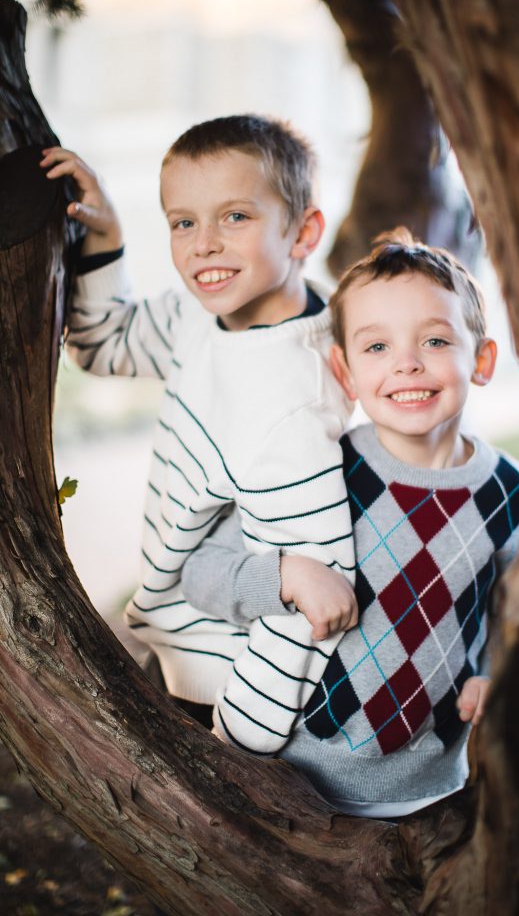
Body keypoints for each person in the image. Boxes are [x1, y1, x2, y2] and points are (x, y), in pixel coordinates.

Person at [182, 229, 519, 817]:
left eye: (435, 339)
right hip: (291, 779)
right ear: (343, 372)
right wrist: (287, 576)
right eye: (377, 348)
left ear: (482, 359)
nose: (407, 363)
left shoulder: (508, 490)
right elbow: (201, 571)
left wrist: (498, 673)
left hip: (438, 785)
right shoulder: (316, 470)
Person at [41, 115, 359, 753]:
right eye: (183, 222)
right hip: (185, 645)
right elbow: (107, 344)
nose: (204, 244)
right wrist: (107, 237)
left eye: (235, 217)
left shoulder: (292, 396)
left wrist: (243, 738)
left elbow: (315, 592)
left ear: (303, 233)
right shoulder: (202, 312)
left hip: (233, 683)